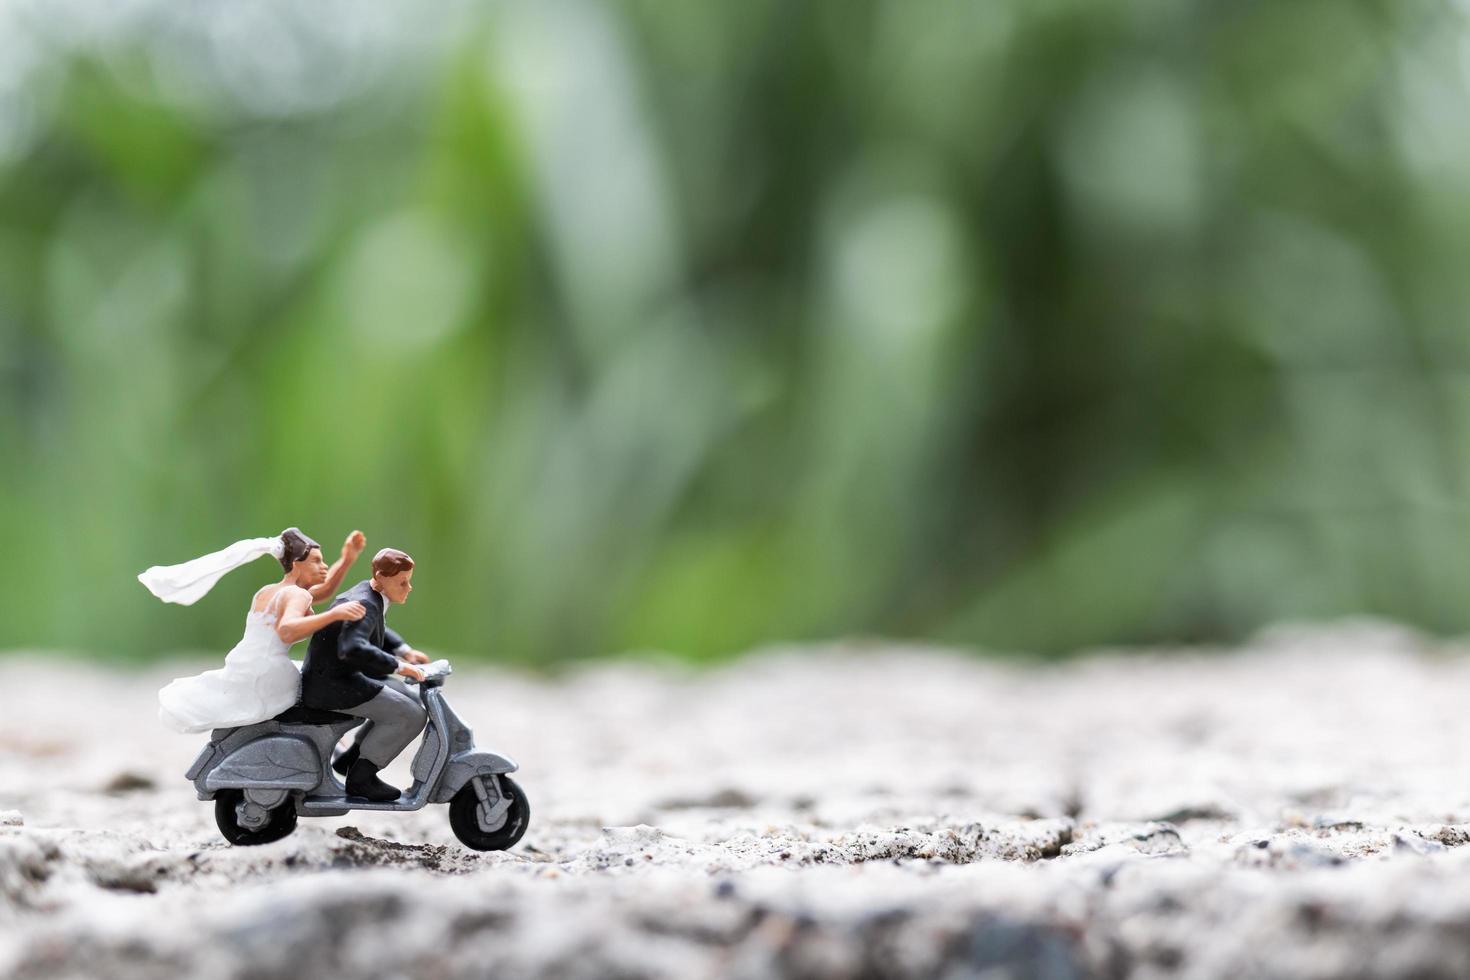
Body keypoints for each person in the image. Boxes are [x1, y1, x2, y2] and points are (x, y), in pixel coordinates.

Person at [149, 528, 369, 733]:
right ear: (296, 564)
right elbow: (287, 631)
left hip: (245, 663)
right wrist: (334, 615)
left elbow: (324, 591)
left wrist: (347, 559)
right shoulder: (296, 595)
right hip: (268, 672)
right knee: (318, 686)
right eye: (316, 561)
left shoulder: (271, 591)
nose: (323, 566)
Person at [297, 547, 430, 802]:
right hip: (334, 685)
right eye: (403, 582)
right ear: (380, 577)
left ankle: (351, 759)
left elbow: (376, 627)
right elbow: (354, 647)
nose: (408, 587)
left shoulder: (369, 594)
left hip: (338, 676)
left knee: (404, 693)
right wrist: (399, 666)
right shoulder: (366, 603)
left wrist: (405, 651)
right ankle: (362, 778)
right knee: (411, 715)